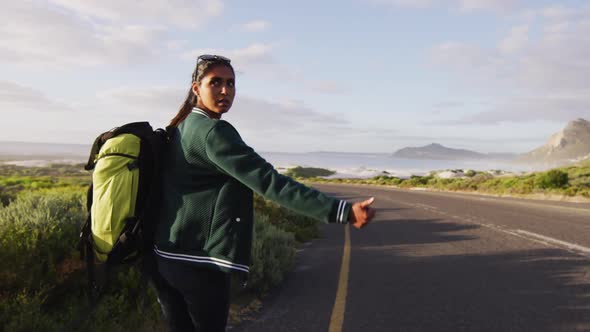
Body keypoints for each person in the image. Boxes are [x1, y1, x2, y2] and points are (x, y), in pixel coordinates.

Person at [151, 54, 376, 332]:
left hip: (165, 258)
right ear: (196, 88)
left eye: (231, 83)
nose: (225, 91)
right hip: (199, 265)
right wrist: (339, 211)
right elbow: (269, 182)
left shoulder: (182, 127)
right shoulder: (213, 132)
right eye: (216, 83)